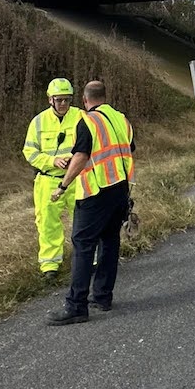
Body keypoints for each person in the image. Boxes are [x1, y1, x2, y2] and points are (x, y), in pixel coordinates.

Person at [47, 79, 136, 325]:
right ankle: (103, 296)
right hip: (120, 188)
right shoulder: (121, 119)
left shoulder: (86, 121)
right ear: (104, 97)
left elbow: (81, 156)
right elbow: (129, 149)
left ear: (85, 101)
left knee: (83, 244)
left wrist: (63, 185)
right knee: (109, 241)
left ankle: (76, 306)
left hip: (96, 191)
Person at [22, 78, 85, 281]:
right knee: (47, 223)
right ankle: (50, 265)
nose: (64, 104)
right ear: (50, 99)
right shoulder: (38, 122)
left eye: (67, 100)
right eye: (59, 100)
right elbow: (29, 152)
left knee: (84, 220)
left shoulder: (81, 117)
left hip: (78, 178)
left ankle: (88, 259)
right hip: (48, 180)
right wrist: (52, 161)